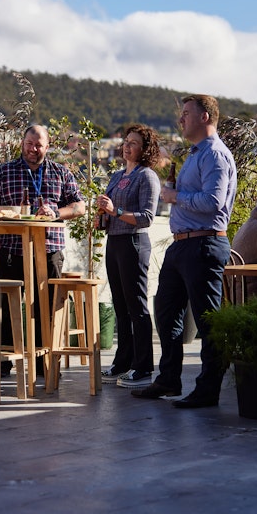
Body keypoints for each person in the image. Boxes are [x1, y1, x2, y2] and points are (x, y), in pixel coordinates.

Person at [131, 94, 237, 408]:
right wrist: (177, 194)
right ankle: (169, 379)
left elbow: (213, 202)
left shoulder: (215, 154)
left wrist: (175, 196)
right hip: (183, 245)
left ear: (205, 117)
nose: (181, 120)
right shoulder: (195, 154)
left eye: (187, 113)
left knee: (208, 323)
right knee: (165, 312)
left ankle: (208, 390)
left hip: (203, 244)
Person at [0, 124, 86, 377]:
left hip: (50, 249)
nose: (33, 149)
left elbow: (79, 207)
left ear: (48, 145)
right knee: (8, 308)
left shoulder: (60, 172)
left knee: (47, 307)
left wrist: (56, 213)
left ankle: (45, 362)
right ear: (22, 143)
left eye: (39, 145)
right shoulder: (4, 172)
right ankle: (5, 361)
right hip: (11, 249)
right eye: (29, 144)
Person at [95, 124, 161, 389]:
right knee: (120, 305)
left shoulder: (147, 177)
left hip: (134, 243)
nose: (127, 146)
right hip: (115, 241)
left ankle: (143, 366)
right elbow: (111, 211)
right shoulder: (118, 175)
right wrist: (102, 214)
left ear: (145, 149)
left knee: (136, 307)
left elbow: (146, 217)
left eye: (134, 143)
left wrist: (115, 209)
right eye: (126, 141)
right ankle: (123, 361)